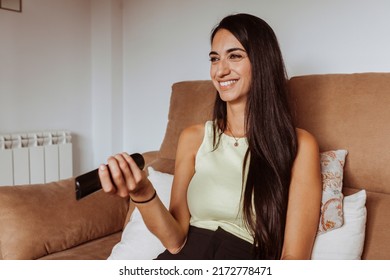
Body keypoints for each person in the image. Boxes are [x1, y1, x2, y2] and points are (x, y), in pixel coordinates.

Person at [98, 13, 322, 260]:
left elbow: (294, 258)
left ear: (262, 62)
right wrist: (142, 193)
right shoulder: (194, 138)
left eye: (235, 56)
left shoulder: (299, 144)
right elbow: (175, 241)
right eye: (215, 59)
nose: (221, 70)